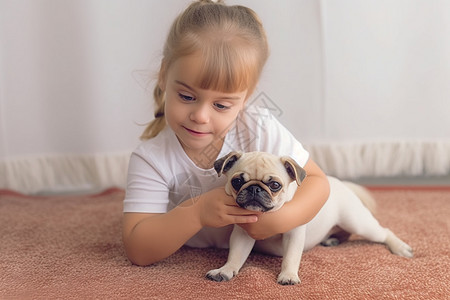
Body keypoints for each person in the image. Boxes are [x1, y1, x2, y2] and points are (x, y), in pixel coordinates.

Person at [122, 0, 330, 266]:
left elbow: (317, 182)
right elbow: (138, 248)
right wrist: (196, 212)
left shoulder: (257, 125)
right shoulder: (151, 159)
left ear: (245, 99)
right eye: (186, 96)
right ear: (164, 75)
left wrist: (281, 219)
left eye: (221, 105)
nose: (200, 116)